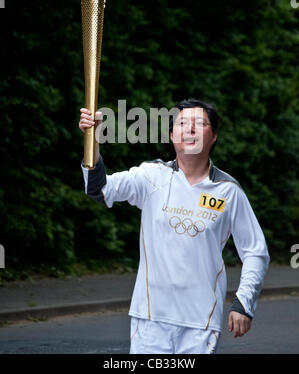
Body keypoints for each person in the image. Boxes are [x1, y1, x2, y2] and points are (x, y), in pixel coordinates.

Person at [79, 98, 270, 354]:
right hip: (150, 318)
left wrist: (244, 304)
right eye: (182, 123)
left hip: (200, 321)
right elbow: (99, 189)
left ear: (213, 136)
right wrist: (92, 141)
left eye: (199, 123)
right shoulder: (151, 177)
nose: (190, 129)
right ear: (172, 135)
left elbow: (255, 252)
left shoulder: (228, 192)